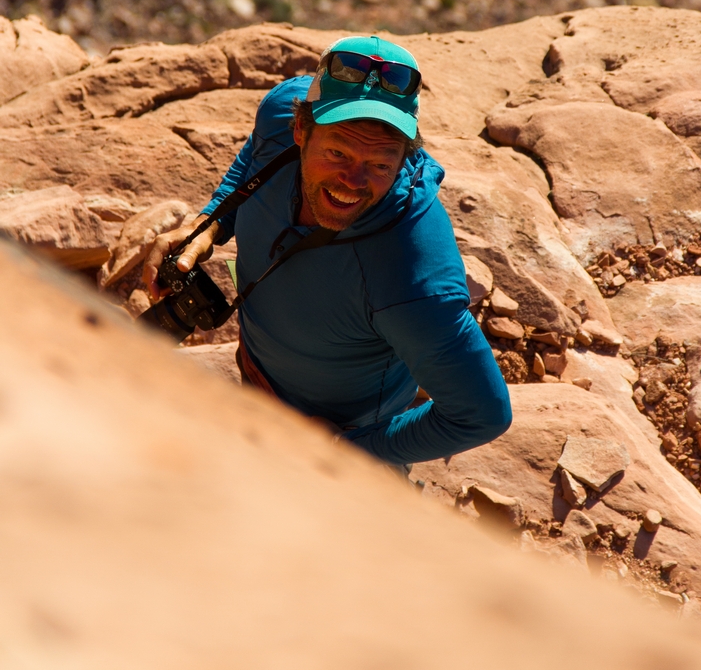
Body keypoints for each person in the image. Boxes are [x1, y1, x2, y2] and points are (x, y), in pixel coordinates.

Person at [143, 35, 512, 467]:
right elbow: (252, 159)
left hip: (337, 437)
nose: (352, 182)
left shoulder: (415, 275)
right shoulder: (283, 109)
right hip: (257, 378)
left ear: (403, 157)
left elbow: (482, 415)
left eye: (379, 164)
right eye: (337, 152)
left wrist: (346, 450)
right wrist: (210, 223)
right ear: (300, 130)